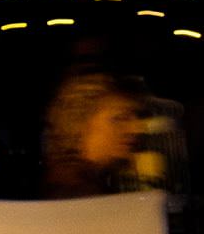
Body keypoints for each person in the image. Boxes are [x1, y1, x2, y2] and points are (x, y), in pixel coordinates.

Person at [39, 68, 149, 198]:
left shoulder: (87, 181)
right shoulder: (76, 194)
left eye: (136, 118)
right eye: (119, 118)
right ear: (79, 122)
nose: (135, 129)